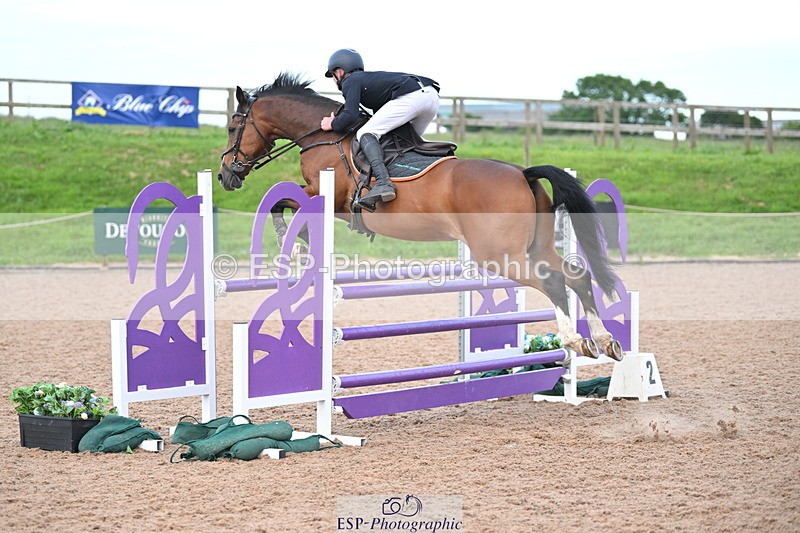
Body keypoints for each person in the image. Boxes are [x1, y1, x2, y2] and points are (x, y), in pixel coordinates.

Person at [320, 48, 440, 207]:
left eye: (333, 75)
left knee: (365, 133)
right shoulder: (371, 82)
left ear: (339, 72)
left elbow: (350, 115)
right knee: (408, 142)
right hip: (431, 97)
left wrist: (332, 123)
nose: (334, 80)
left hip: (414, 96)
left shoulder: (351, 80)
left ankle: (383, 183)